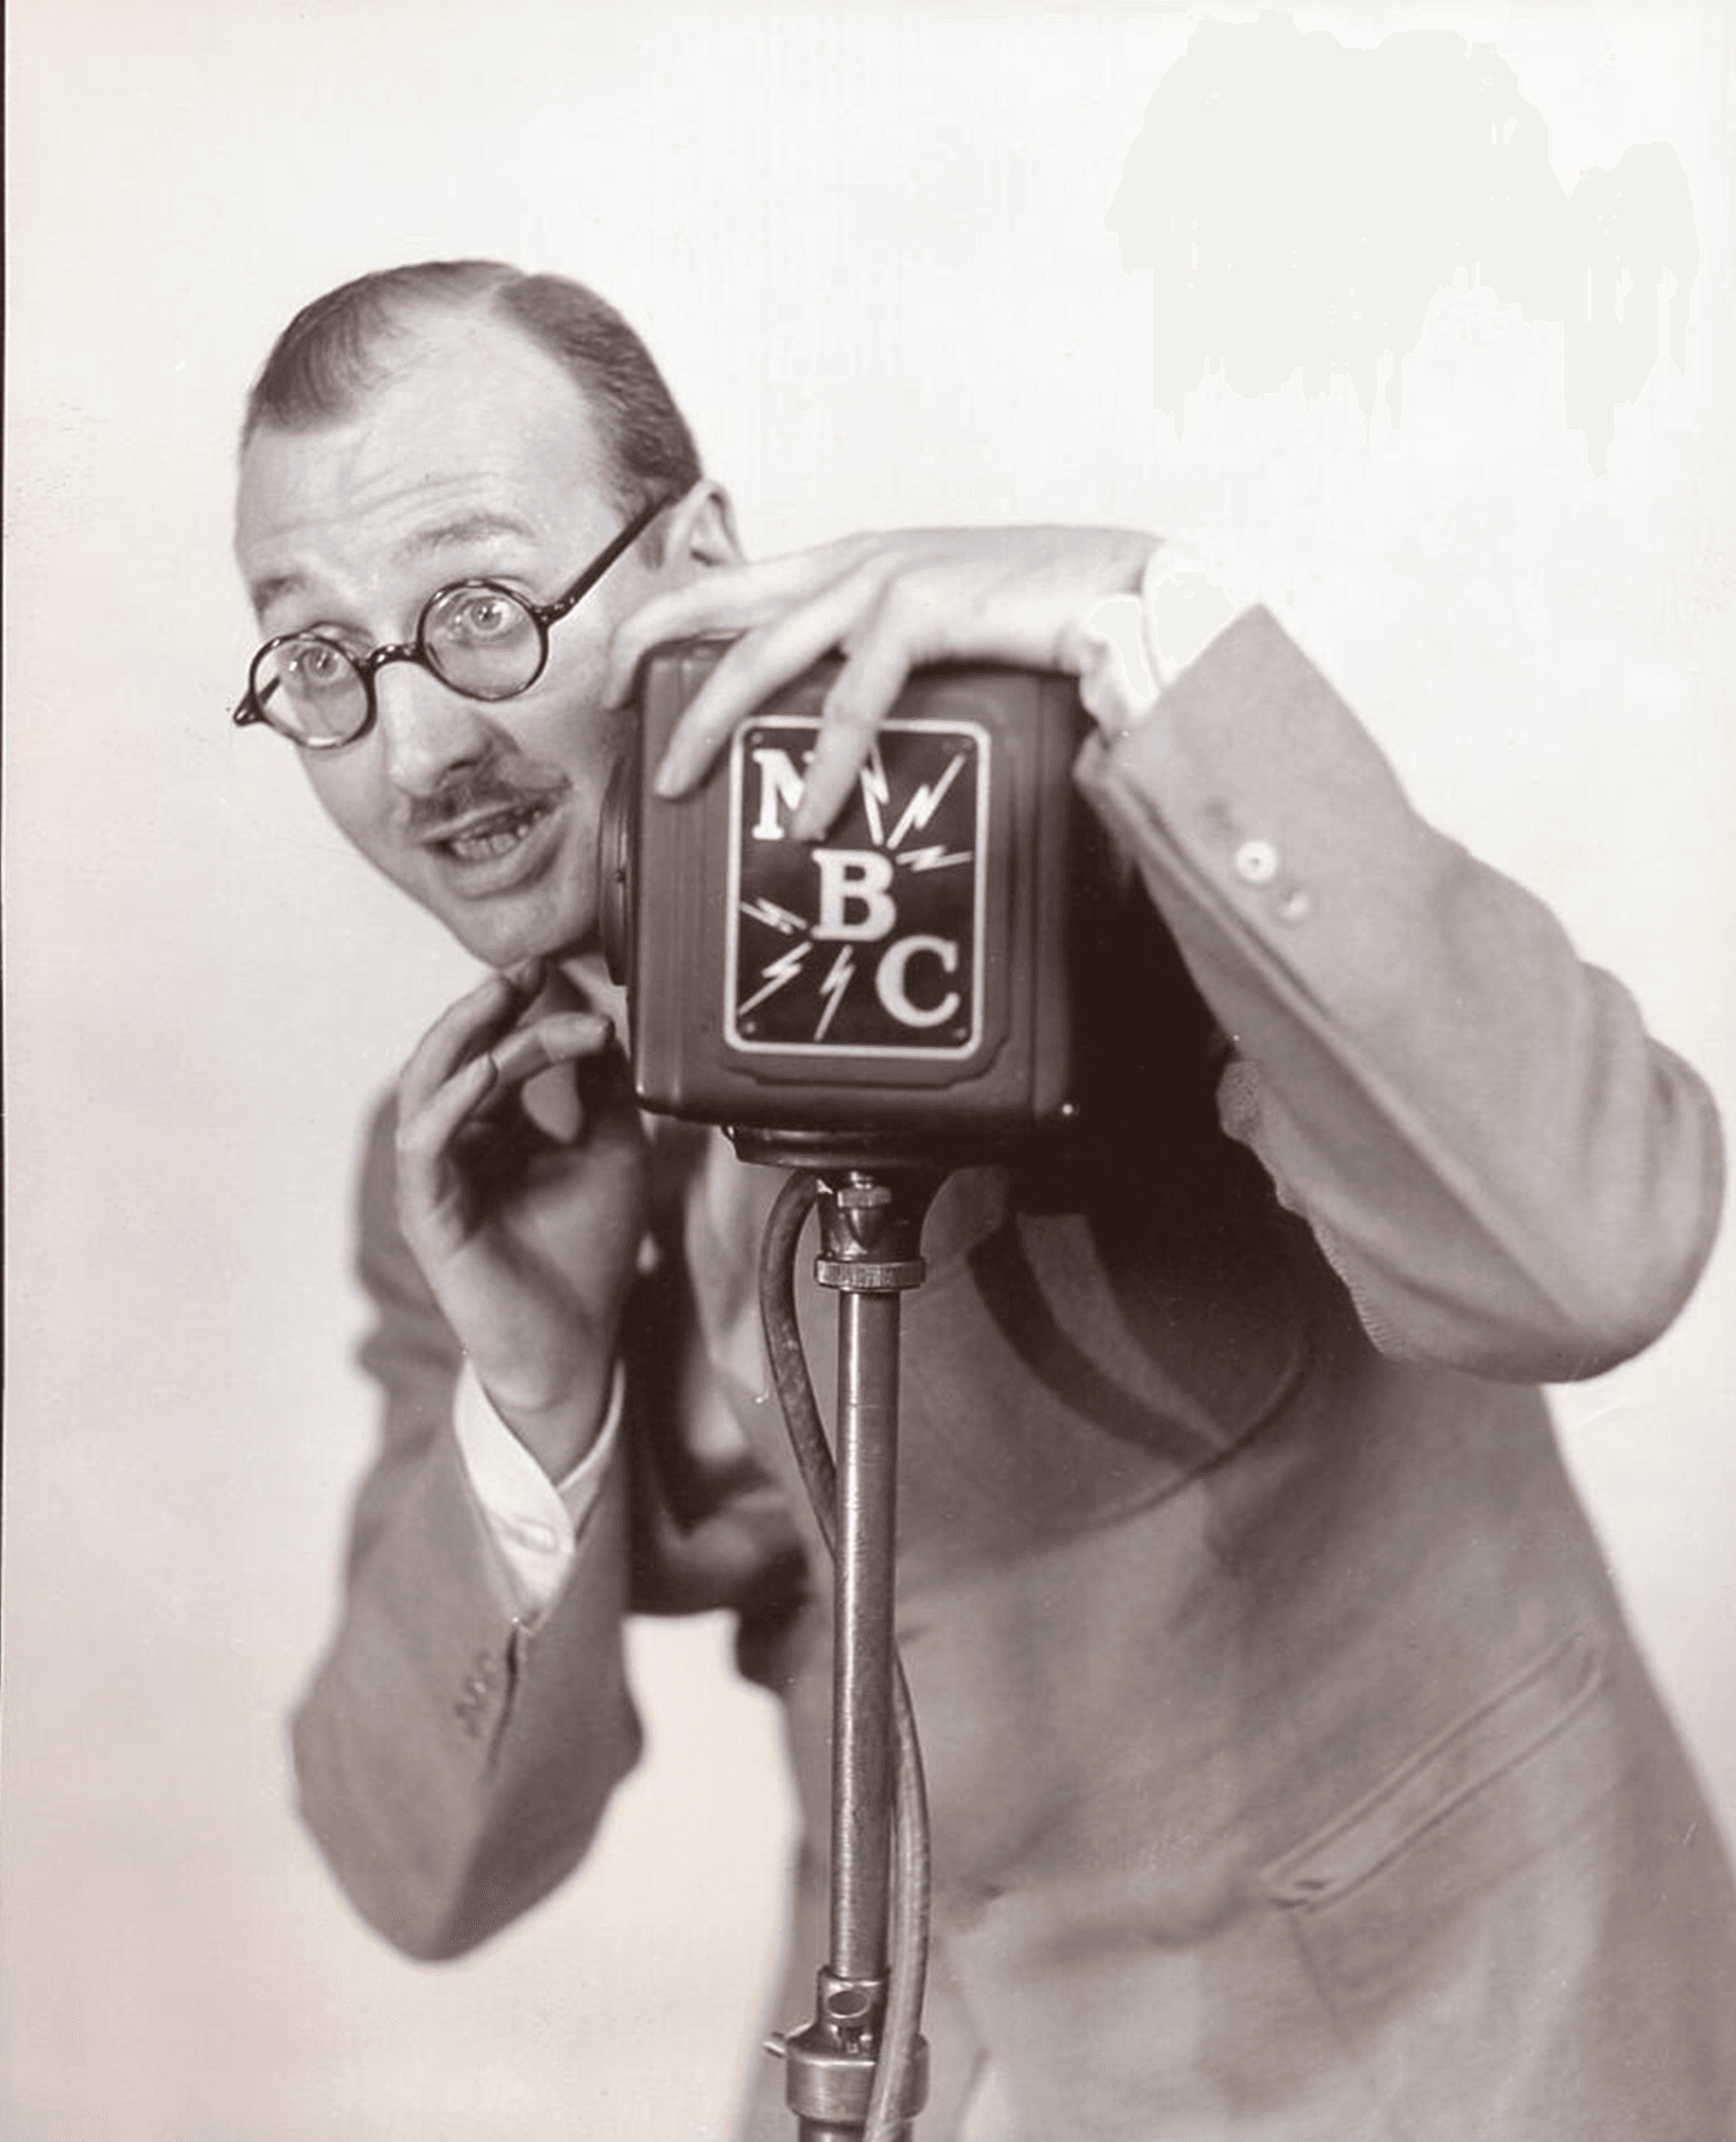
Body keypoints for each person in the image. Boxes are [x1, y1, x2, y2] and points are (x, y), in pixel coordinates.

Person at [233, 259, 1736, 2141]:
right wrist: (534, 1400)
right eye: (320, 661)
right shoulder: (483, 1158)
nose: (417, 751)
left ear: (697, 561)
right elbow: (420, 1871)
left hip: (1448, 2066)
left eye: (478, 611)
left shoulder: (1104, 850)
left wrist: (1146, 627)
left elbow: (1598, 1251)